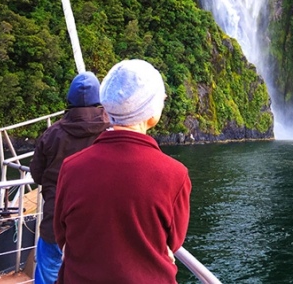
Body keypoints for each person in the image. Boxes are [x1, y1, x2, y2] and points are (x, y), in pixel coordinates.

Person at [54, 59, 191, 284]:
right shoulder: (175, 174)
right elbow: (172, 243)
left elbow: (62, 235)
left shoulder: (71, 167)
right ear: (152, 115)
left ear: (106, 111)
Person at [29, 72, 111, 284]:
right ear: (100, 101)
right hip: (96, 228)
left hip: (54, 224)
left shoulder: (51, 134)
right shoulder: (110, 135)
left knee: (48, 274)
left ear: (69, 101)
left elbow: (37, 175)